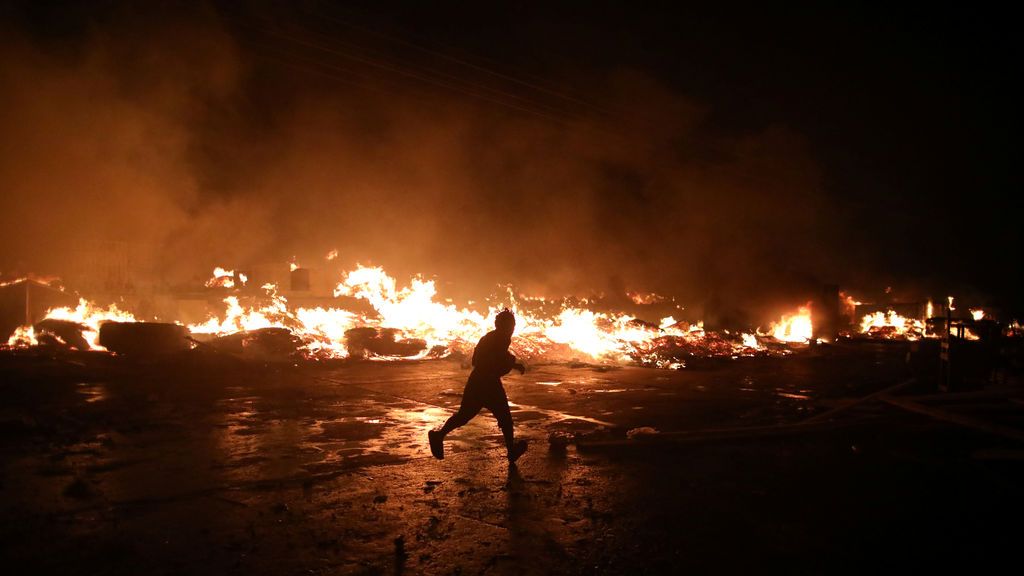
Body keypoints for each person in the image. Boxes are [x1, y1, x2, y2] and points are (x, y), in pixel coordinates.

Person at [428, 309, 528, 464]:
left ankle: (439, 435)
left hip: (478, 381)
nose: (512, 329)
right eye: (510, 325)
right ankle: (511, 451)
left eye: (512, 325)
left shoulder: (491, 337)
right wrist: (509, 363)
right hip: (487, 384)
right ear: (502, 325)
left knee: (464, 416)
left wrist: (512, 364)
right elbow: (489, 360)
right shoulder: (500, 338)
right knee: (504, 419)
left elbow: (484, 359)